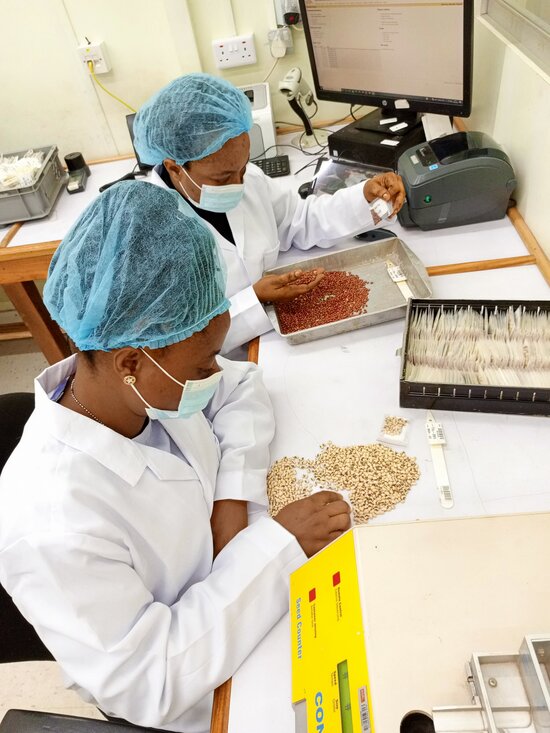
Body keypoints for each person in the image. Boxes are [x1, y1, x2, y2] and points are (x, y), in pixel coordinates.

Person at [0, 182, 350, 732]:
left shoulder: (144, 385)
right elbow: (153, 679)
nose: (215, 371)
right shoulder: (52, 524)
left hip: (236, 595)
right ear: (130, 363)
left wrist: (230, 502)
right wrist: (276, 545)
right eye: (205, 361)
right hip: (198, 689)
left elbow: (242, 388)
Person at [133, 73, 406, 354]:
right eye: (223, 177)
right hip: (224, 368)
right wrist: (254, 299)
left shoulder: (246, 177)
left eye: (243, 167)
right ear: (175, 167)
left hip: (276, 344)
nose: (239, 184)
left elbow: (297, 220)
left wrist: (365, 198)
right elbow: (170, 347)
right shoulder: (147, 233)